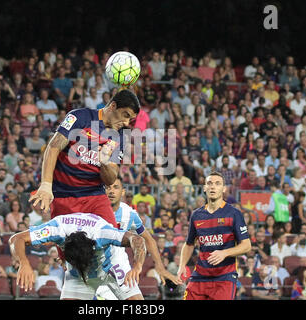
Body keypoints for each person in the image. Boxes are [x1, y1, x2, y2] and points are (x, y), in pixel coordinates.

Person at [29, 89, 140, 229]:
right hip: (64, 195)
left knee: (112, 239)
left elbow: (110, 179)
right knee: (71, 249)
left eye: (130, 119)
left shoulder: (121, 136)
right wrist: (46, 185)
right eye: (125, 115)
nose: (126, 122)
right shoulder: (79, 117)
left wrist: (104, 162)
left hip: (95, 195)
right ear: (113, 106)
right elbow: (53, 147)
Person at [9, 212, 146, 300]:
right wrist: (24, 263)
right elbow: (16, 239)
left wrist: (138, 266)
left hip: (112, 266)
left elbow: (138, 240)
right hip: (77, 274)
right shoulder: (57, 228)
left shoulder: (102, 232)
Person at [95, 178, 181, 299]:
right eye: (108, 187)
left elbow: (149, 239)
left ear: (123, 192)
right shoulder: (93, 209)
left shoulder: (129, 213)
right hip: (93, 261)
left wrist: (160, 268)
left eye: (116, 187)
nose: (111, 191)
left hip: (117, 262)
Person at [177, 172, 251, 300]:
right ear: (204, 188)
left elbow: (246, 245)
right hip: (200, 275)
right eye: (209, 183)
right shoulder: (196, 215)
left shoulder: (234, 213)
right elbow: (189, 244)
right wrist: (182, 265)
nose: (213, 187)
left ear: (223, 189)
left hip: (224, 277)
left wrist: (224, 253)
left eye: (217, 184)